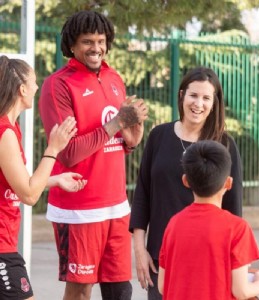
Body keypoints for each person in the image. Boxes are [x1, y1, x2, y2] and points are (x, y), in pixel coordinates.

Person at [38, 10, 148, 300]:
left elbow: (115, 141)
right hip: (78, 209)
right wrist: (116, 125)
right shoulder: (58, 85)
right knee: (80, 290)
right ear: (71, 46)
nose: (96, 48)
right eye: (87, 41)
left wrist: (131, 142)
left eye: (101, 40)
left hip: (116, 205)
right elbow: (69, 153)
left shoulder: (114, 78)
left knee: (120, 291)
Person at [129, 66, 243, 299]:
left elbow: (234, 211)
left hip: (208, 262)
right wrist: (140, 250)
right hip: (162, 260)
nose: (198, 104)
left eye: (206, 98)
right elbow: (142, 195)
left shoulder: (225, 145)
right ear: (181, 95)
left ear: (214, 103)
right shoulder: (159, 136)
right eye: (193, 95)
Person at [0, 55, 87, 300]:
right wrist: (53, 149)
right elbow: (28, 194)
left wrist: (55, 180)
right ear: (22, 89)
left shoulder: (11, 128)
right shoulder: (4, 132)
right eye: (34, 81)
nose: (38, 87)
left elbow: (16, 183)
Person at [157, 140, 259, 299]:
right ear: (228, 182)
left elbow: (163, 286)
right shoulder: (237, 228)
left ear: (185, 181)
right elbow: (241, 291)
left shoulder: (173, 224)